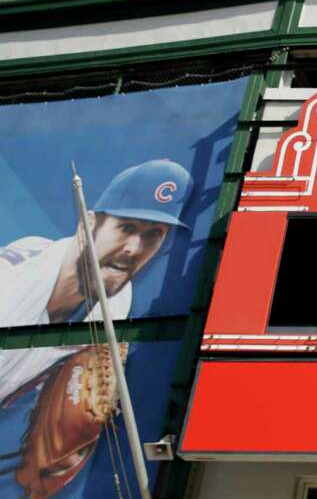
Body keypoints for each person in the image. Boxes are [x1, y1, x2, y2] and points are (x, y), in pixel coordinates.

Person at [0, 158, 193, 403]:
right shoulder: (10, 277)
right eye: (127, 228)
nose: (134, 248)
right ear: (87, 225)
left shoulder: (118, 303)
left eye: (154, 234)